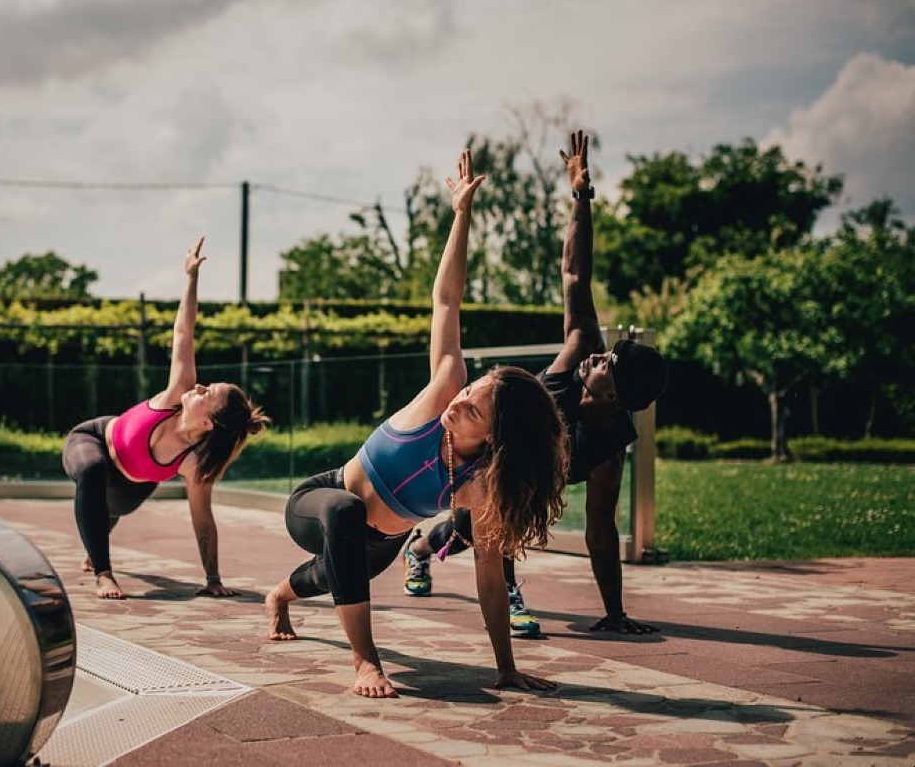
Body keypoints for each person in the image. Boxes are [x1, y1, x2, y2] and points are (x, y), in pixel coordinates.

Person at [264, 150, 569, 699]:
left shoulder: (483, 487)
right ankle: (364, 661)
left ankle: (279, 596)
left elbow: (491, 580)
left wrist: (504, 667)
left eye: (473, 409)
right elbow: (446, 300)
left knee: (330, 574)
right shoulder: (443, 391)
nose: (459, 404)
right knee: (344, 516)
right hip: (321, 501)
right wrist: (461, 213)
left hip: (382, 540)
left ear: (496, 437)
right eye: (469, 393)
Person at [402, 130, 669, 636]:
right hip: (489, 457)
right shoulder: (573, 358)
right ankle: (449, 565)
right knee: (482, 520)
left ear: (613, 396)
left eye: (606, 362)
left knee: (465, 530)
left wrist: (614, 613)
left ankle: (420, 549)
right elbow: (575, 274)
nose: (595, 355)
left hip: (521, 482)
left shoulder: (610, 449)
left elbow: (600, 531)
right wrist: (581, 195)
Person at [62, 237, 269, 599]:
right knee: (94, 473)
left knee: (113, 507)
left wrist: (213, 580)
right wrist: (191, 278)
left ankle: (96, 536)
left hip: (131, 486)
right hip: (92, 440)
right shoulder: (178, 393)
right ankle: (103, 571)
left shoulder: (194, 463)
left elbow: (203, 521)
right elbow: (183, 332)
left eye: (208, 394)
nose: (200, 386)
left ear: (208, 424)